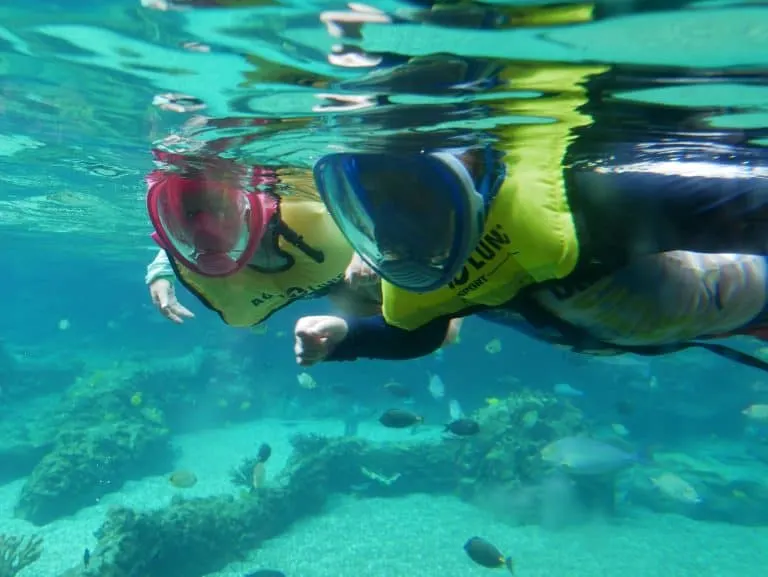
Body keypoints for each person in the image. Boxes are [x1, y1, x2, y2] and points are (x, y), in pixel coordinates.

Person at [290, 55, 768, 368]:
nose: (393, 235)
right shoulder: (418, 281)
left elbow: (737, 209)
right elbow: (416, 333)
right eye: (372, 206)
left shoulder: (583, 201)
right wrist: (348, 337)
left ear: (475, 171)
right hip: (591, 324)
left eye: (413, 199)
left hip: (662, 305)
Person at [144, 147, 464, 344]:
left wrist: (366, 243)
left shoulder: (302, 202)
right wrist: (160, 272)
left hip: (338, 270)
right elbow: (180, 235)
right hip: (317, 276)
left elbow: (379, 196)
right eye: (190, 217)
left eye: (220, 211)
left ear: (246, 205)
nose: (207, 229)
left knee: (441, 332)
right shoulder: (189, 228)